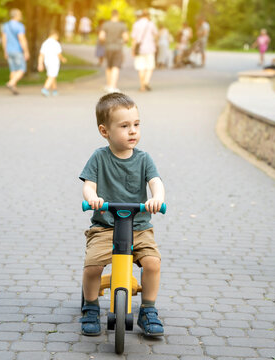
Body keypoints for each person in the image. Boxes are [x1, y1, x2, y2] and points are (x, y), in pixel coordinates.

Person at [79, 92, 165, 337]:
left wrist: (156, 198)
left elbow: (155, 181)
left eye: (136, 125)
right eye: (125, 126)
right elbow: (88, 184)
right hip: (105, 227)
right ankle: (91, 307)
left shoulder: (144, 159)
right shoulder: (99, 157)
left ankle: (148, 309)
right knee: (93, 265)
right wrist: (92, 198)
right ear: (105, 131)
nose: (132, 131)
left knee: (152, 262)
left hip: (138, 227)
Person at [1, 9, 30, 95]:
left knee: (13, 70)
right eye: (20, 15)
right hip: (17, 50)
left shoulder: (5, 26)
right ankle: (11, 83)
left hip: (9, 50)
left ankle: (14, 88)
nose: (21, 16)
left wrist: (5, 50)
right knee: (22, 69)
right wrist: (26, 51)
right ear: (17, 16)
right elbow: (22, 39)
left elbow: (4, 39)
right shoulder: (19, 26)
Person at [99, 9, 128, 93]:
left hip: (108, 47)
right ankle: (113, 86)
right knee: (116, 66)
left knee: (108, 66)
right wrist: (122, 42)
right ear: (118, 15)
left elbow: (101, 36)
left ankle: (108, 85)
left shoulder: (106, 25)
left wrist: (106, 41)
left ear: (111, 15)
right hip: (118, 48)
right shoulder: (122, 25)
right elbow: (126, 38)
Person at [131, 9, 158, 91]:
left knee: (141, 67)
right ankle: (146, 81)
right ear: (148, 16)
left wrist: (133, 49)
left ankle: (142, 86)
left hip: (139, 49)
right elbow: (156, 35)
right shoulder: (151, 24)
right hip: (149, 48)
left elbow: (134, 39)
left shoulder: (136, 24)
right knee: (150, 67)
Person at [37, 30, 67, 97]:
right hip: (54, 61)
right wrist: (62, 59)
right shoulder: (56, 43)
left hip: (47, 61)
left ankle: (54, 90)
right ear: (55, 35)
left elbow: (41, 54)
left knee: (52, 75)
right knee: (52, 76)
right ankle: (45, 88)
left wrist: (40, 64)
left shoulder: (45, 43)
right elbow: (59, 54)